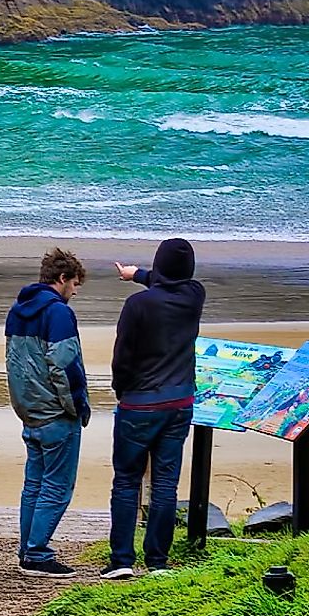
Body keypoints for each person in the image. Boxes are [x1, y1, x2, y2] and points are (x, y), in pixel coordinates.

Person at [104, 237, 205, 577]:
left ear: (159, 265)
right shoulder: (195, 297)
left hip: (139, 403)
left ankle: (121, 561)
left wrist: (122, 390)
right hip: (179, 403)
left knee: (127, 480)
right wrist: (138, 274)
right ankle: (158, 561)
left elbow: (123, 356)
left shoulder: (137, 306)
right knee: (165, 484)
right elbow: (173, 282)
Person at [5, 247, 92, 577]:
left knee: (34, 483)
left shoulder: (17, 310)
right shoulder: (58, 313)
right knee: (56, 486)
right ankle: (38, 552)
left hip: (30, 410)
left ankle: (27, 548)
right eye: (75, 283)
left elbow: (14, 364)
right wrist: (78, 407)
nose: (75, 290)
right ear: (62, 278)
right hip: (57, 412)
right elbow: (65, 366)